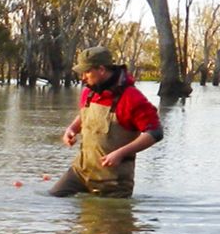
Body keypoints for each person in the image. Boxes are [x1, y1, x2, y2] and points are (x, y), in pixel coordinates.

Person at [51, 45, 163, 198]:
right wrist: (71, 129)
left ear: (101, 69)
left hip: (113, 182)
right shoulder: (88, 92)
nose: (83, 77)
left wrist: (120, 153)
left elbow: (155, 132)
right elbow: (84, 115)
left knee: (106, 219)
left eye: (87, 71)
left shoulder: (132, 98)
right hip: (80, 172)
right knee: (53, 200)